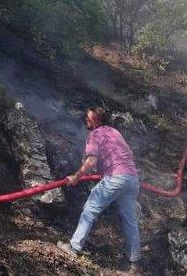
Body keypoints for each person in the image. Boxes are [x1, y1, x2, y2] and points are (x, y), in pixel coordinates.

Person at [57, 106, 141, 273]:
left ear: (96, 120)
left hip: (115, 178)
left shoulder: (95, 134)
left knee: (90, 209)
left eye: (89, 117)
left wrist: (76, 177)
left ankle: (73, 248)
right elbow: (126, 154)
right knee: (130, 219)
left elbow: (91, 162)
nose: (86, 120)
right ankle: (133, 260)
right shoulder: (114, 132)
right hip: (132, 179)